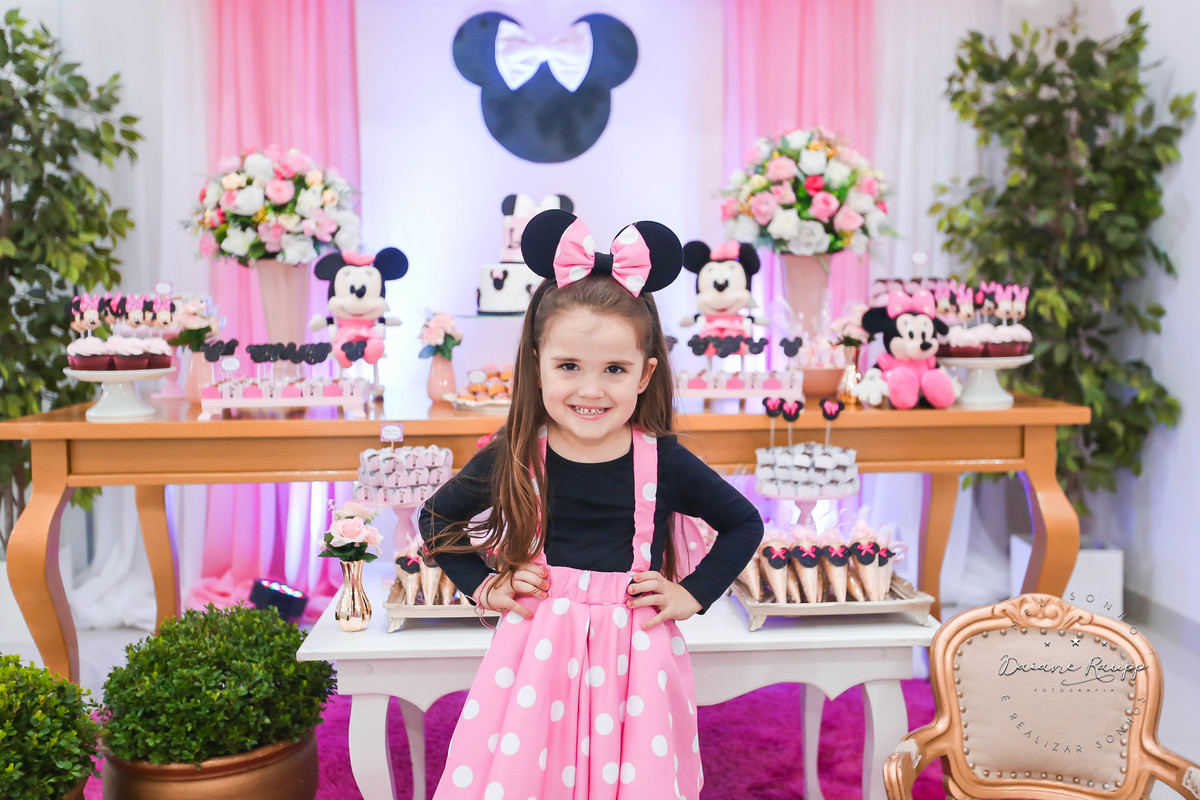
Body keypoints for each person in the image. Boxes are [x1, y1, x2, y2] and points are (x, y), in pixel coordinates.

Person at [419, 209, 763, 799]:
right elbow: (435, 518)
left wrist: (692, 594)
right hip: (537, 653)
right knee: (532, 773)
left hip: (637, 658)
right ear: (537, 364)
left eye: (615, 369)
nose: (591, 389)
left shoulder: (664, 460)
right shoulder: (517, 453)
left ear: (645, 375)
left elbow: (743, 522)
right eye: (569, 367)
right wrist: (485, 586)